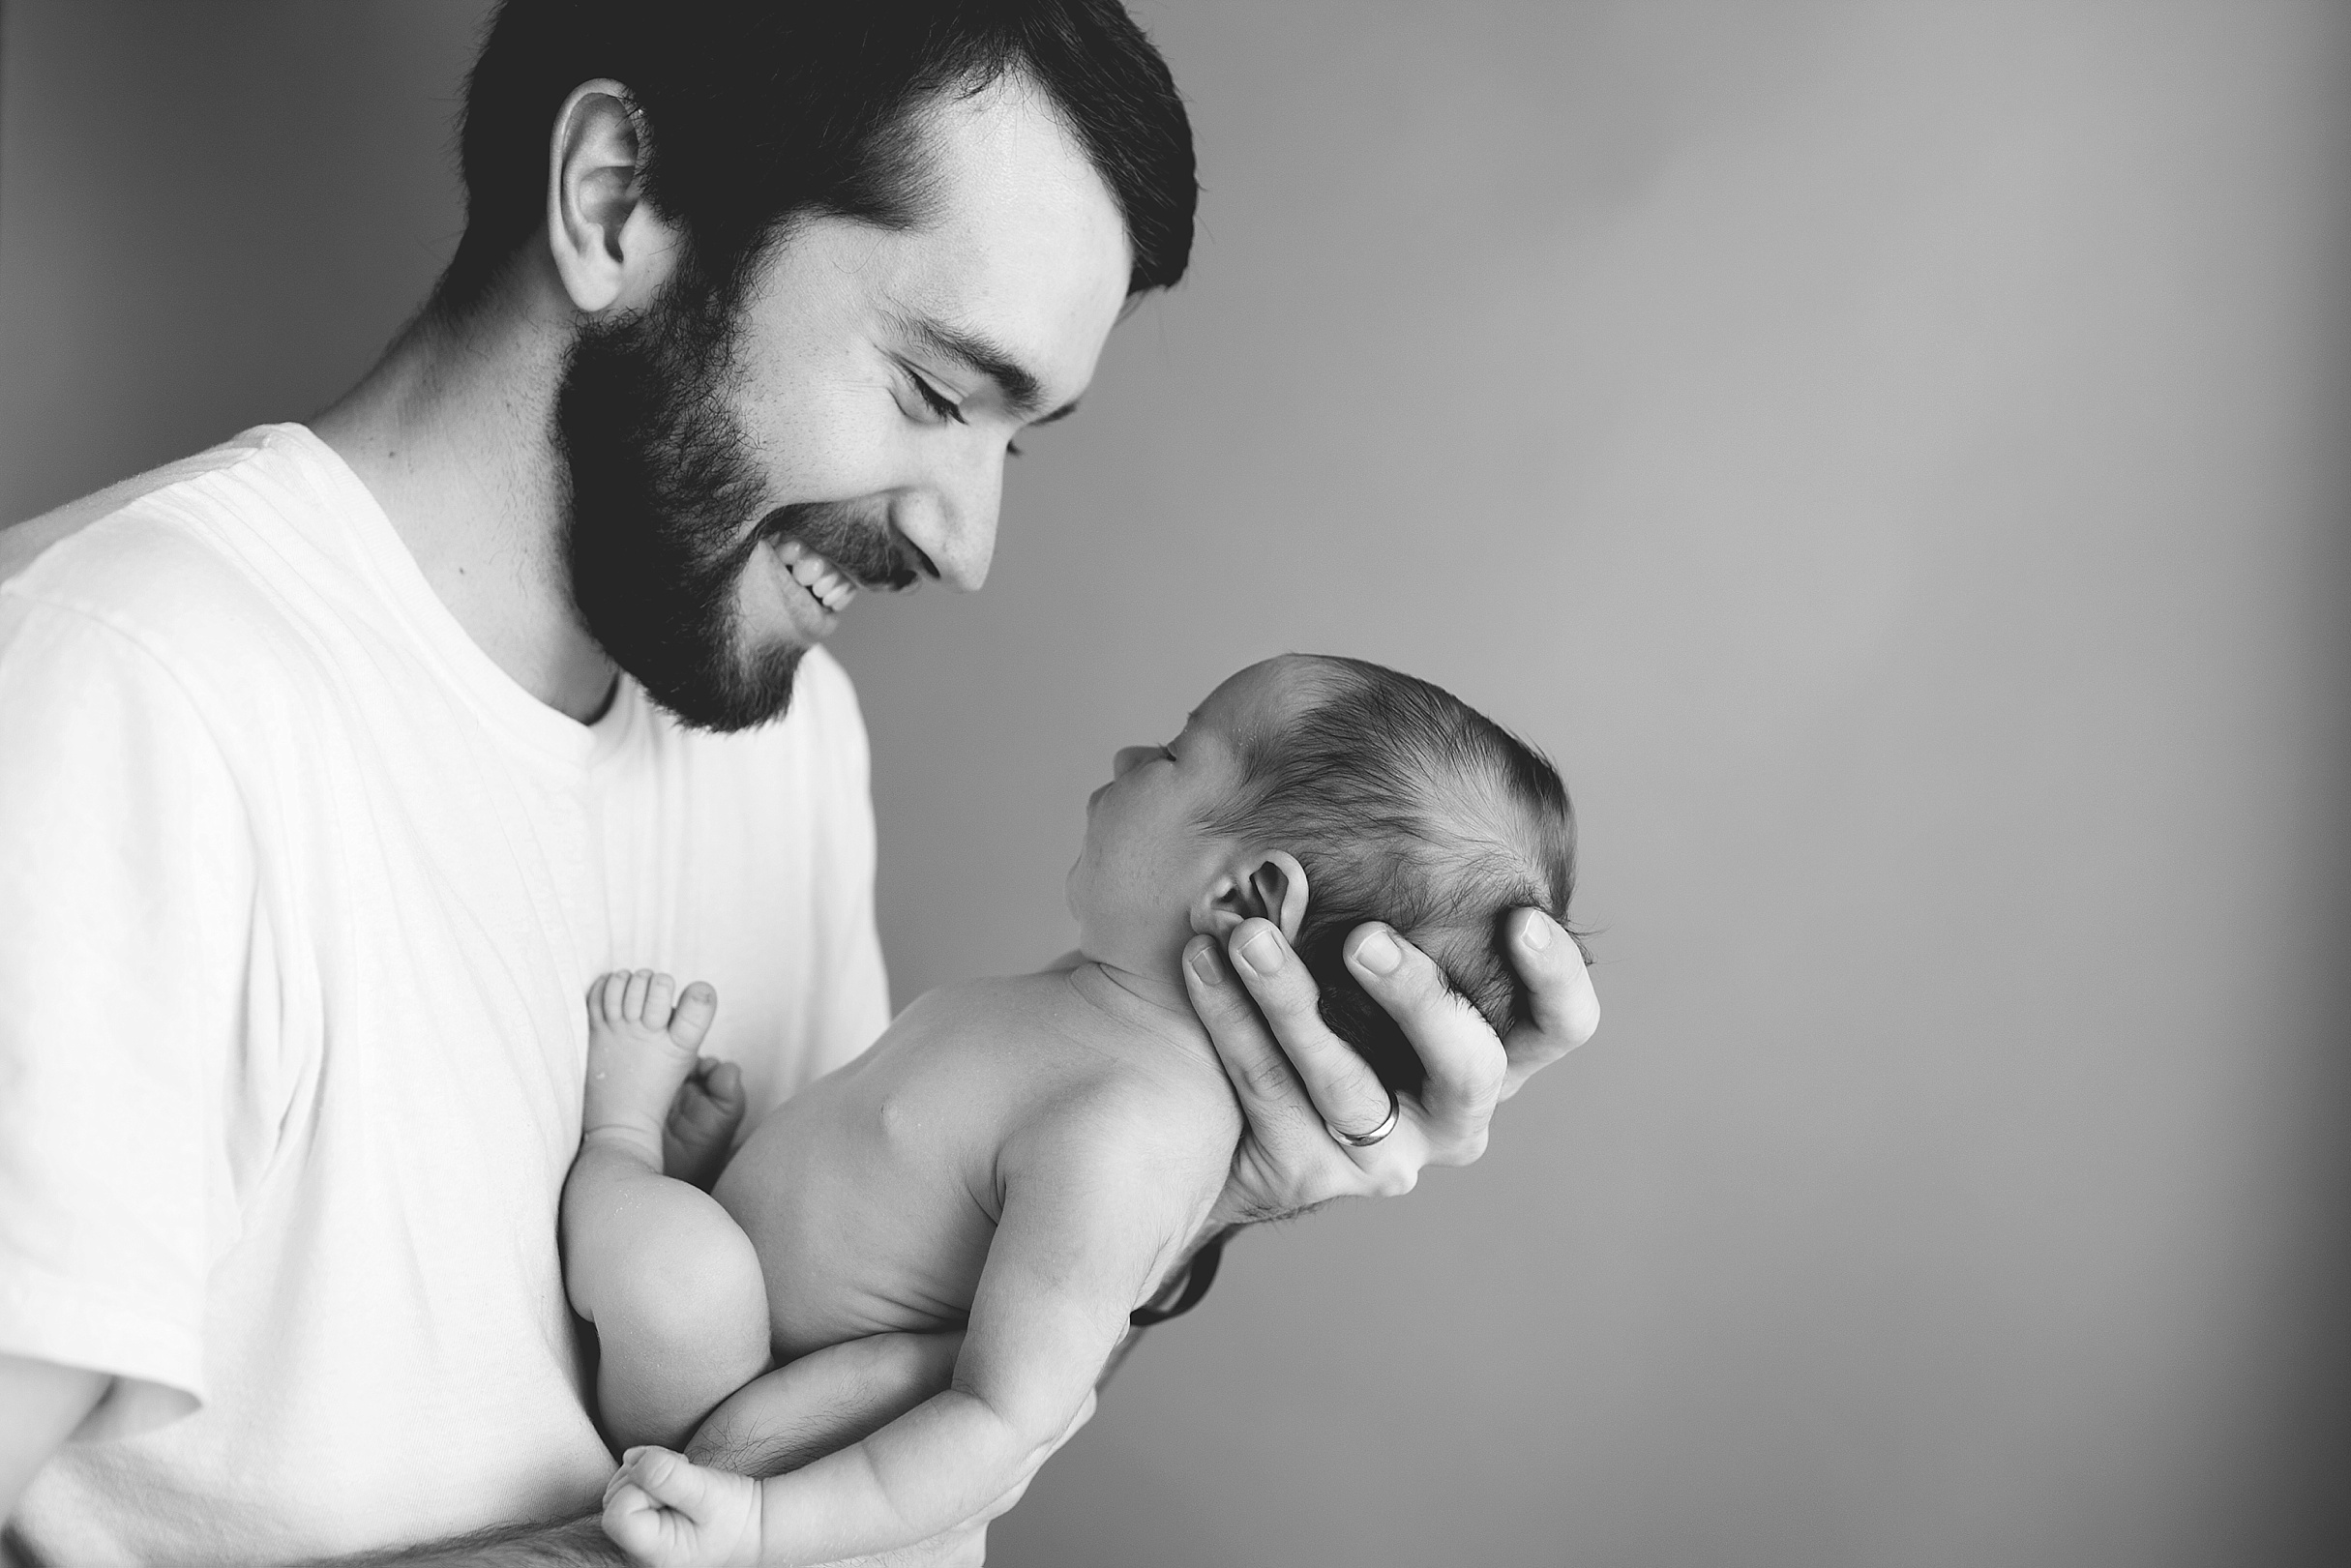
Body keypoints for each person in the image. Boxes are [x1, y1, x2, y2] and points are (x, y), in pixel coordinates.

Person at [0, 3, 1599, 1563]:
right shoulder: (132, 698)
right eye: (931, 393)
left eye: (1014, 443)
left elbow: (843, 1377)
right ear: (617, 199)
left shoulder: (788, 736)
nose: (969, 546)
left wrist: (1215, 1181)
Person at [563, 654, 1582, 1567]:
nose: (1128, 749)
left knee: (677, 1271)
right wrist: (736, 1161)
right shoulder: (1099, 1004)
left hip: (742, 1412)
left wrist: (758, 1526)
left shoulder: (1130, 1133)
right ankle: (683, 1180)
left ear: (1244, 899)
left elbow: (1004, 1415)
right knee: (693, 1250)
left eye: (1175, 751)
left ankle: (621, 1135)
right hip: (754, 1334)